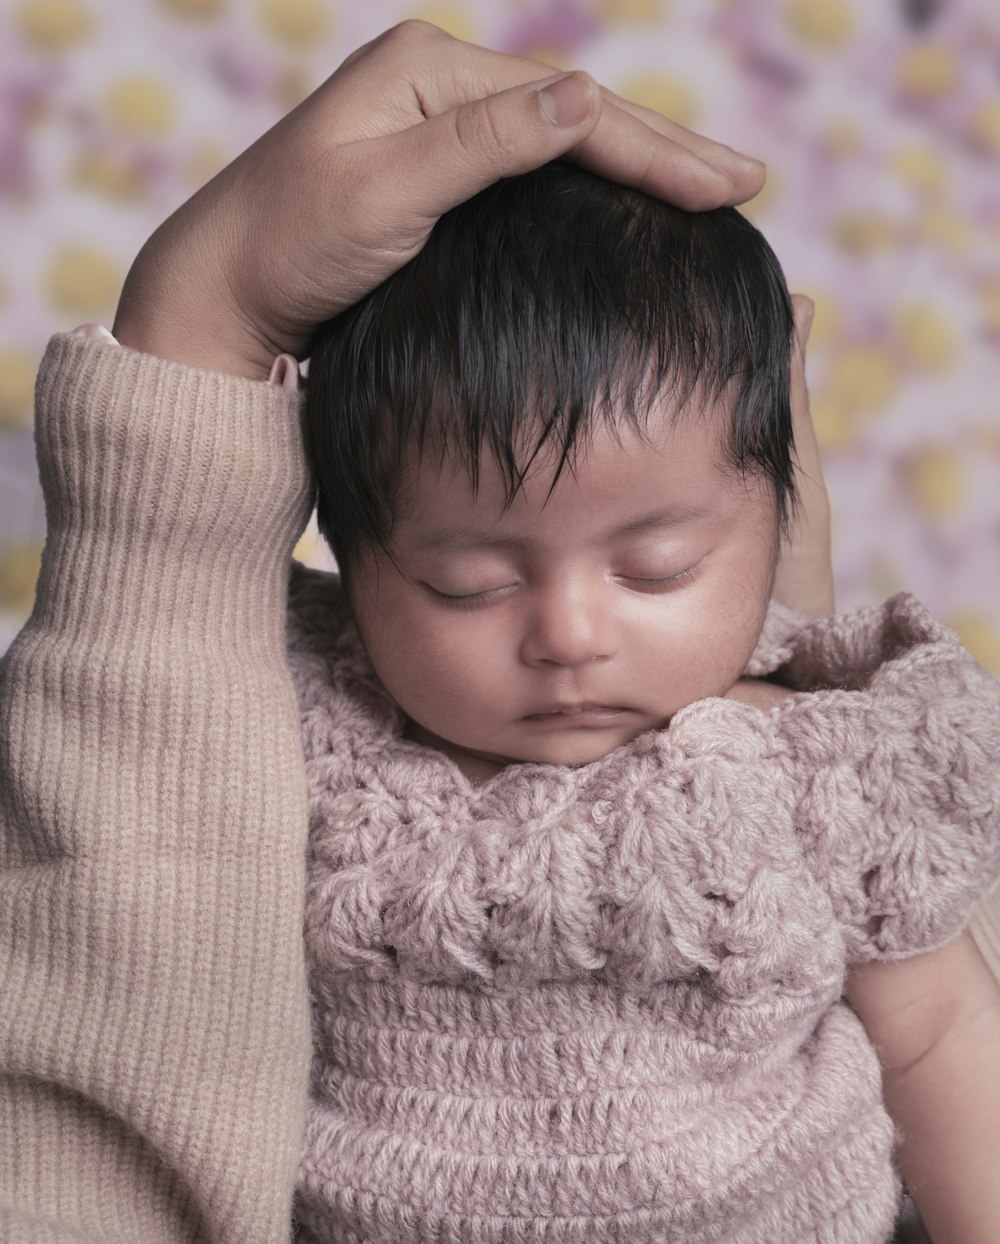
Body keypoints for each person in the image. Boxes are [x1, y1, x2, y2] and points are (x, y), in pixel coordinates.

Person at [0, 18, 995, 1244]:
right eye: (466, 582)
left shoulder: (823, 765)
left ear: (773, 507)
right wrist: (194, 323)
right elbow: (125, 835)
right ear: (344, 554)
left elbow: (945, 1030)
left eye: (659, 564)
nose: (569, 633)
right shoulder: (289, 726)